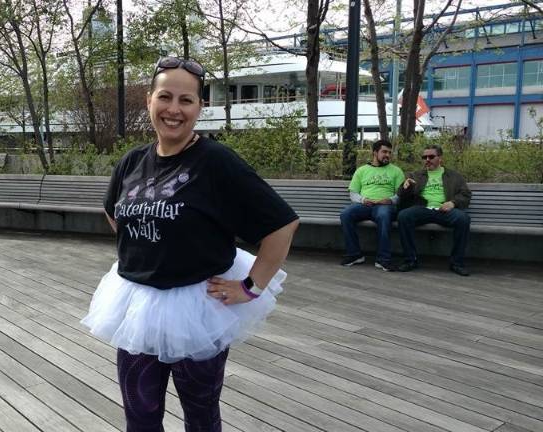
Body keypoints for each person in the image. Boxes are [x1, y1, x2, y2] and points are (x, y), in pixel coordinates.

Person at [81, 56, 300, 432]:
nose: (174, 109)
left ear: (200, 107)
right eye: (165, 97)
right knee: (141, 414)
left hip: (197, 307)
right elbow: (113, 211)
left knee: (200, 416)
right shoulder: (131, 162)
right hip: (138, 305)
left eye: (186, 100)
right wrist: (151, 241)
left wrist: (251, 287)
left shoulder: (216, 162)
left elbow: (282, 223)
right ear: (149, 100)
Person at [396, 144, 472, 276]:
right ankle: (410, 260)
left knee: (463, 219)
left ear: (440, 158)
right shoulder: (415, 175)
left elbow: (465, 194)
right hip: (422, 209)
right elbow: (401, 195)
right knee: (404, 216)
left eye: (431, 156)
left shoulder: (454, 176)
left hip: (444, 209)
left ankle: (457, 262)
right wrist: (405, 187)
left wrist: (452, 203)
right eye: (424, 157)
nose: (427, 159)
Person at [339, 139, 404, 271]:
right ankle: (354, 254)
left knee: (383, 215)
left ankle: (383, 259)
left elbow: (401, 195)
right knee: (346, 214)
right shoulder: (362, 170)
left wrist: (390, 200)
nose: (387, 155)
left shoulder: (396, 171)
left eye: (389, 153)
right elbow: (353, 193)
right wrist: (363, 200)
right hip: (365, 205)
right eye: (384, 152)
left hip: (385, 205)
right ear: (375, 153)